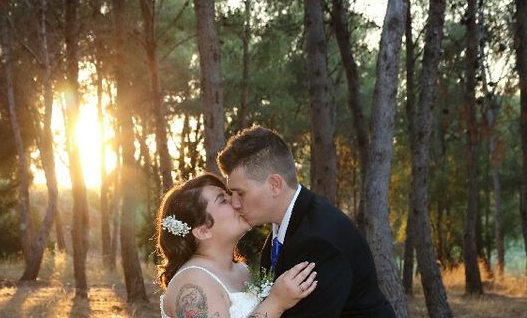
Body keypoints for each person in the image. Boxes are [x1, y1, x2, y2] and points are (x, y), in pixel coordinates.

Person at [218, 126, 397, 318]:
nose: (234, 203)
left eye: (240, 193)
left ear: (274, 185)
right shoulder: (284, 230)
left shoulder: (320, 241)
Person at [156, 173, 318, 318]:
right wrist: (276, 302)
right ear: (203, 231)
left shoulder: (242, 269)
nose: (236, 201)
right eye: (223, 200)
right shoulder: (192, 282)